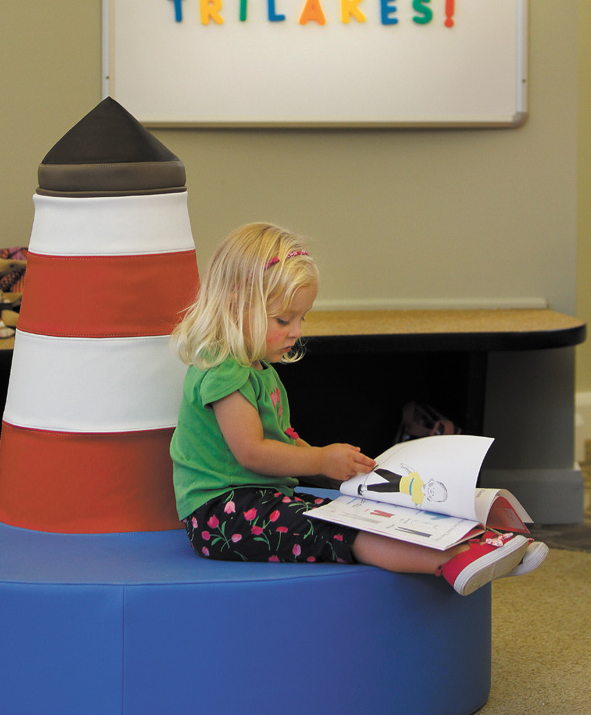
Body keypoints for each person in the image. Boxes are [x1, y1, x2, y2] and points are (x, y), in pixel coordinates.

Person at [170, 222, 548, 596]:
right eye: (284, 319)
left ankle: (482, 542)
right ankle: (452, 560)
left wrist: (344, 474)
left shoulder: (258, 369)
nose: (297, 330)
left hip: (259, 499)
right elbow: (252, 451)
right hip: (221, 514)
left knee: (358, 508)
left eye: (303, 317)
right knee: (341, 530)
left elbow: (284, 440)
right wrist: (319, 461)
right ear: (236, 305)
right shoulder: (222, 370)